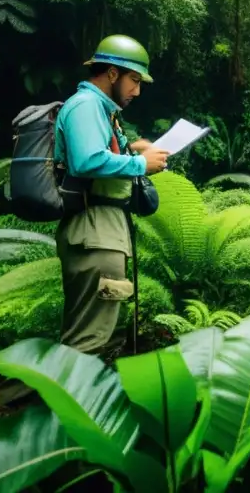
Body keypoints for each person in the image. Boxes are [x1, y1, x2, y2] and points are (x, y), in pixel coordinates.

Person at [54, 35, 168, 357]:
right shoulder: (86, 106)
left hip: (102, 230)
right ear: (113, 74)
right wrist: (139, 164)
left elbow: (96, 153)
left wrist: (133, 149)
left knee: (97, 334)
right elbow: (86, 160)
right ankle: (63, 404)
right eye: (134, 80)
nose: (137, 91)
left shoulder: (102, 111)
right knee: (88, 342)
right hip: (94, 231)